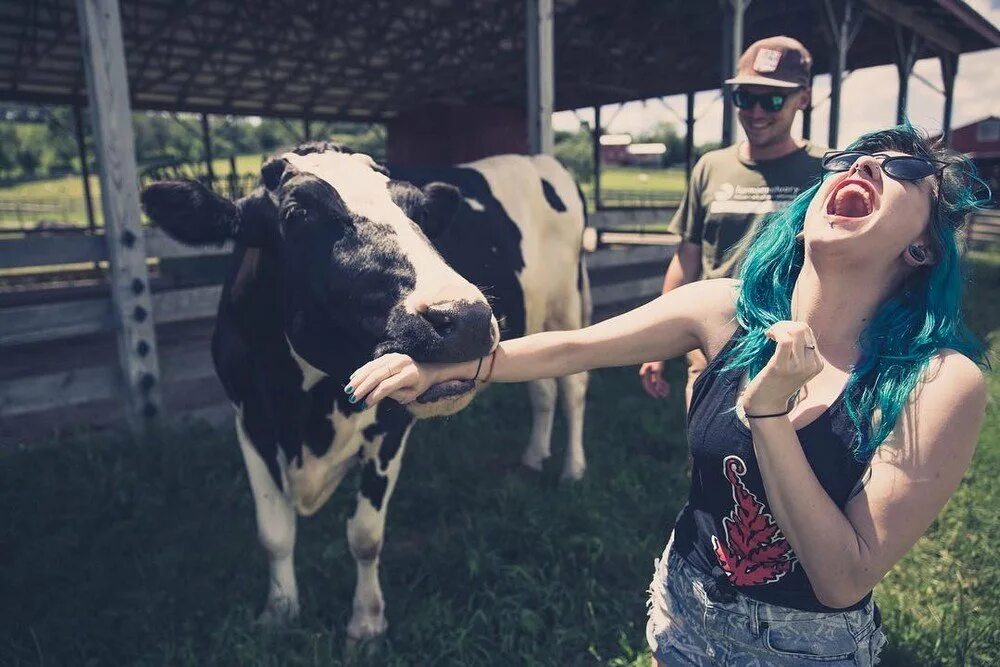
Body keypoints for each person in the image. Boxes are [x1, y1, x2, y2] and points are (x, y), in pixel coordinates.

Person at [345, 124, 989, 665]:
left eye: (900, 167)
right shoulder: (725, 310)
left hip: (803, 647)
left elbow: (844, 577)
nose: (866, 166)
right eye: (849, 160)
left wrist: (766, 414)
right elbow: (572, 348)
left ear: (925, 243)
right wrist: (445, 371)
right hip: (682, 609)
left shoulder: (937, 381)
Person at [640, 36, 828, 409]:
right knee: (707, 457)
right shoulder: (711, 167)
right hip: (711, 348)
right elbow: (687, 257)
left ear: (803, 98)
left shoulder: (826, 170)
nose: (756, 112)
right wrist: (656, 340)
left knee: (782, 463)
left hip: (792, 354)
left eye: (772, 99)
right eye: (745, 97)